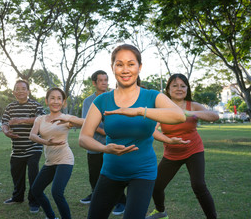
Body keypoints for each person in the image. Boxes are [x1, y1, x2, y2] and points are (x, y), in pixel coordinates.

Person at [78, 44, 186, 219]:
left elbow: (179, 115)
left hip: (143, 172)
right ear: (112, 67)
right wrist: (105, 148)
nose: (125, 69)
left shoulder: (152, 96)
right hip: (111, 171)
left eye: (131, 64)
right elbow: (83, 137)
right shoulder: (102, 100)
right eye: (119, 64)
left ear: (139, 67)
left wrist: (139, 111)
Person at [146, 73, 219, 219]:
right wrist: (168, 140)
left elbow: (214, 116)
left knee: (198, 185)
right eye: (175, 85)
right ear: (168, 89)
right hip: (172, 153)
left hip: (194, 150)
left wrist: (189, 113)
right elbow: (152, 129)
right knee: (156, 185)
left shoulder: (192, 105)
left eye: (183, 86)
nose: (179, 88)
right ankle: (160, 212)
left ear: (187, 88)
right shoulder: (161, 108)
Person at [29, 87, 85, 219]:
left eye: (59, 98)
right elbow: (32, 135)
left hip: (65, 159)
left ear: (64, 102)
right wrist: (46, 142)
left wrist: (70, 121)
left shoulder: (65, 117)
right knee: (36, 190)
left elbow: (86, 122)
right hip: (50, 161)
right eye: (52, 98)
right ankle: (51, 216)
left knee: (57, 192)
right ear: (46, 100)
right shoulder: (40, 119)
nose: (56, 101)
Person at [79, 70, 126, 216]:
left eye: (106, 80)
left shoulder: (114, 97)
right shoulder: (88, 101)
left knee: (114, 174)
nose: (104, 83)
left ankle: (121, 202)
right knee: (94, 175)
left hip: (111, 144)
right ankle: (95, 195)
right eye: (101, 80)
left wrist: (106, 130)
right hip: (93, 144)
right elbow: (88, 123)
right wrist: (103, 130)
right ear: (94, 83)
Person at [1, 80, 45, 214]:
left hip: (33, 146)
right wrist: (6, 131)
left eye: (23, 88)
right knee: (16, 174)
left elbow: (41, 119)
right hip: (17, 148)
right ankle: (17, 197)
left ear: (28, 91)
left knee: (33, 175)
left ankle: (34, 202)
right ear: (14, 92)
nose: (20, 91)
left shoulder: (35, 105)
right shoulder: (10, 107)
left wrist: (20, 120)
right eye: (17, 89)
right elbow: (4, 122)